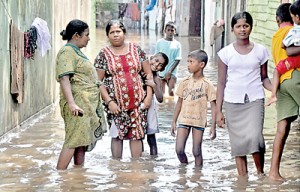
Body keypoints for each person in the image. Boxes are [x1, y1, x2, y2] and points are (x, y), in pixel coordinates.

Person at [216, 11, 272, 176]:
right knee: (238, 144)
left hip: (255, 100)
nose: (242, 29)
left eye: (245, 26)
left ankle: (260, 174)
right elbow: (221, 83)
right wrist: (218, 111)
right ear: (233, 29)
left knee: (256, 137)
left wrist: (276, 88)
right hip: (233, 102)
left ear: (251, 28)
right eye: (238, 26)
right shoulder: (225, 54)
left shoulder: (261, 51)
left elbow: (264, 78)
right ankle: (243, 180)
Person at [94, 20, 153, 159]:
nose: (115, 35)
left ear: (124, 33)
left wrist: (148, 96)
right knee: (116, 136)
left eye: (118, 32)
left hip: (138, 103)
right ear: (107, 35)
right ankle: (117, 169)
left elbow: (148, 74)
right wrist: (109, 102)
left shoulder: (136, 50)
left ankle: (136, 170)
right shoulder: (103, 54)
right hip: (115, 105)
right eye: (112, 32)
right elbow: (98, 81)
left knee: (136, 135)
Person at [55, 19, 106, 170]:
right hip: (76, 104)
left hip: (84, 105)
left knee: (81, 141)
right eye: (87, 35)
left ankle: (78, 175)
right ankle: (60, 177)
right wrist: (71, 103)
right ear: (76, 35)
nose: (89, 38)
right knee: (73, 140)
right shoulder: (67, 52)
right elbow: (64, 78)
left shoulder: (76, 52)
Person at [269, 3, 300, 181]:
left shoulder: (275, 36)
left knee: (282, 129)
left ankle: (274, 173)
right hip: (296, 77)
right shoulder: (294, 32)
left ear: (277, 20)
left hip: (281, 83)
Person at [171, 49, 216, 167]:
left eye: (191, 62)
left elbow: (213, 106)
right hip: (184, 119)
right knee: (179, 150)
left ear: (201, 65)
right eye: (188, 61)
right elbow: (179, 102)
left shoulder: (208, 84)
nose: (188, 65)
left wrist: (213, 127)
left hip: (198, 121)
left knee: (196, 151)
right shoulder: (184, 82)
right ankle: (184, 169)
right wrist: (174, 121)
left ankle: (197, 175)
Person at [266, 2, 300, 106]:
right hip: (294, 75)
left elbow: (285, 48)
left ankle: (273, 95)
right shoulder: (292, 30)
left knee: (283, 121)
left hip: (282, 80)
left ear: (277, 19)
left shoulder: (276, 36)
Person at [144, 52, 169, 156]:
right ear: (151, 58)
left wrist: (153, 86)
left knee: (151, 136)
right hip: (139, 105)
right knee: (138, 135)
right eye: (156, 60)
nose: (157, 65)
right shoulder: (141, 72)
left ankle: (153, 159)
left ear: (161, 69)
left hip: (150, 109)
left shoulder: (157, 79)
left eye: (160, 65)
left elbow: (160, 99)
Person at [156, 21, 182, 97]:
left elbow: (178, 59)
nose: (170, 32)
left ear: (175, 32)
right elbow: (156, 57)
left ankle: (172, 106)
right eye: (168, 30)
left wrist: (170, 72)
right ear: (165, 31)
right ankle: (164, 108)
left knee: (171, 92)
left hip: (172, 71)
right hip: (161, 71)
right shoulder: (159, 42)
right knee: (162, 94)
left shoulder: (177, 44)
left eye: (172, 30)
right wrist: (156, 70)